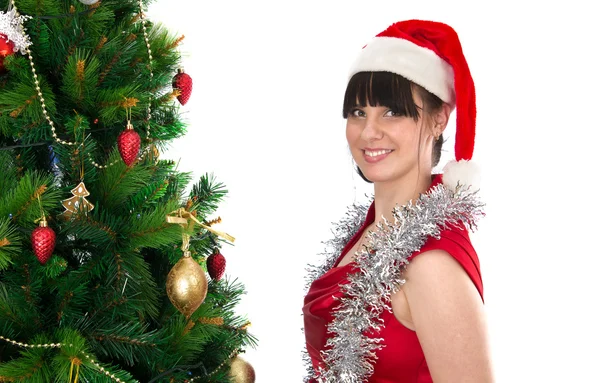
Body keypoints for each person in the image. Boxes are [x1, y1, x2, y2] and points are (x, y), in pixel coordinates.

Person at [302, 20, 495, 382]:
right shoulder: (374, 229)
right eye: (358, 112)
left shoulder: (432, 264)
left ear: (439, 118)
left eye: (392, 111)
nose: (368, 131)